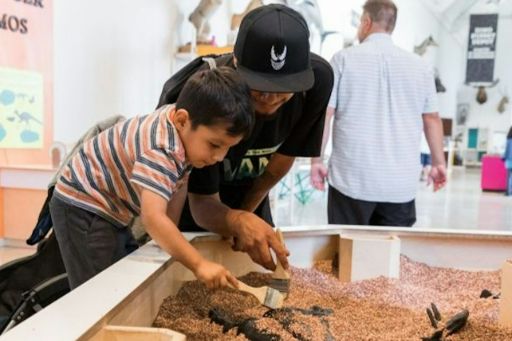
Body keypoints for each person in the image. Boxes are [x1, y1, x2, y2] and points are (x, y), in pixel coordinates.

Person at [158, 4, 334, 270]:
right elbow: (198, 200)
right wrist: (236, 221)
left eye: (284, 88)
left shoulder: (317, 81)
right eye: (260, 87)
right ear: (237, 63)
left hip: (252, 196)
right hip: (191, 207)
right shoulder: (199, 93)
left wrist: (246, 214)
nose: (271, 97)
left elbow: (280, 161)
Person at [49, 67, 255, 289]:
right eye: (214, 145)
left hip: (110, 208)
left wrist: (168, 236)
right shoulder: (162, 148)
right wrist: (199, 264)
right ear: (182, 120)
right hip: (83, 205)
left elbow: (176, 186)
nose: (218, 157)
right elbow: (153, 217)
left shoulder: (182, 129)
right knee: (99, 289)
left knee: (122, 271)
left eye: (227, 148)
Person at [310, 0, 446, 227]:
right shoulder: (420, 67)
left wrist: (317, 160)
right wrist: (439, 163)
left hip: (351, 181)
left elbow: (326, 113)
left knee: (347, 254)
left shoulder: (343, 59)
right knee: (391, 256)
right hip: (399, 186)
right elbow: (431, 118)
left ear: (366, 22)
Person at [504, 127, 512, 196]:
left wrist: (503, 158)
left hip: (509, 161)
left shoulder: (508, 140)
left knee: (508, 177)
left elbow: (506, 151)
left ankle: (507, 192)